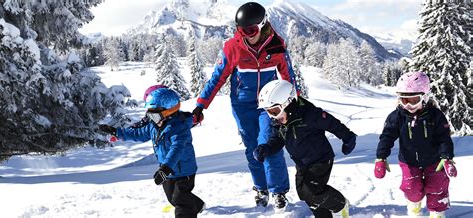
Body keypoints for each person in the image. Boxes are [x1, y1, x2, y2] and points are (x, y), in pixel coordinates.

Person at [191, 2, 297, 209]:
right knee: (252, 148)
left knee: (270, 144)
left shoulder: (276, 45)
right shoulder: (234, 48)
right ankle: (260, 187)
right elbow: (217, 78)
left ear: (263, 24)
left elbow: (288, 77)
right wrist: (201, 105)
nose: (247, 35)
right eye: (242, 30)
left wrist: (295, 104)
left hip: (269, 104)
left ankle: (279, 191)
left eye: (251, 30)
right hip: (242, 105)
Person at [253, 80, 356, 218]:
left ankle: (340, 205)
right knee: (304, 193)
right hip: (302, 162)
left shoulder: (310, 114)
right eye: (269, 112)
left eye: (275, 111)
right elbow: (277, 140)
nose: (273, 116)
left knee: (311, 191)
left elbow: (333, 124)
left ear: (288, 102)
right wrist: (266, 149)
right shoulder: (279, 121)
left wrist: (348, 138)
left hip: (321, 159)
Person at [99, 88, 205, 218]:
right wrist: (117, 132)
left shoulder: (179, 128)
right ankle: (198, 205)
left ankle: (189, 211)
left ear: (169, 112)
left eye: (154, 115)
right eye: (149, 115)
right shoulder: (154, 126)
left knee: (180, 201)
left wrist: (166, 168)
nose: (151, 119)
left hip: (184, 170)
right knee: (173, 198)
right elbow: (138, 133)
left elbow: (177, 149)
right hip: (167, 170)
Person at [374, 71, 456, 218]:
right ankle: (414, 207)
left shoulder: (435, 116)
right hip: (409, 161)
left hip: (435, 161)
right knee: (412, 188)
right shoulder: (397, 116)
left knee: (437, 186)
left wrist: (446, 157)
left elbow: (444, 138)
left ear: (424, 97)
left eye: (413, 100)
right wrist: (381, 157)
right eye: (404, 100)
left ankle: (437, 213)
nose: (409, 105)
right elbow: (387, 137)